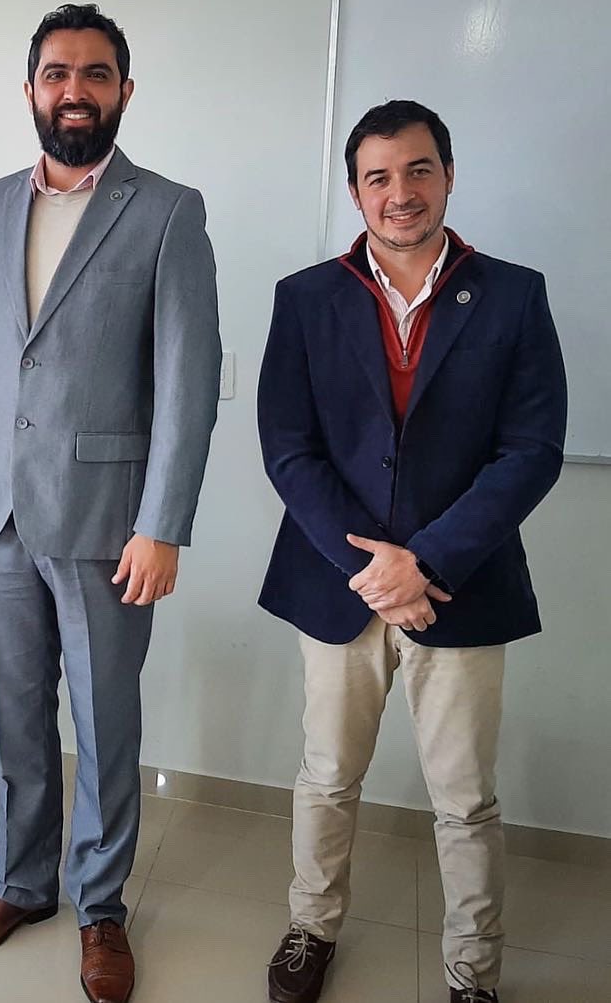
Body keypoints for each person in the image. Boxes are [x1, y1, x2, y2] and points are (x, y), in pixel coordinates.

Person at [0, 4, 221, 1003]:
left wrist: (163, 522)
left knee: (105, 722)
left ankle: (100, 908)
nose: (74, 91)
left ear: (124, 90)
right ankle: (20, 884)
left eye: (95, 74)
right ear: (32, 89)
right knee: (14, 720)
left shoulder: (169, 211)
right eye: (56, 74)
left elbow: (188, 376)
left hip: (107, 522)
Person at [257, 100, 567, 1003]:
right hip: (337, 584)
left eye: (419, 170)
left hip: (460, 587)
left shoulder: (514, 293)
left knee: (465, 799)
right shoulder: (306, 297)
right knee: (326, 775)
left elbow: (532, 450)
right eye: (379, 177)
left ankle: (473, 971)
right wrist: (374, 567)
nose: (401, 194)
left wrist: (422, 562)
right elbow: (288, 447)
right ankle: (311, 928)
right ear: (356, 191)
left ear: (449, 174)